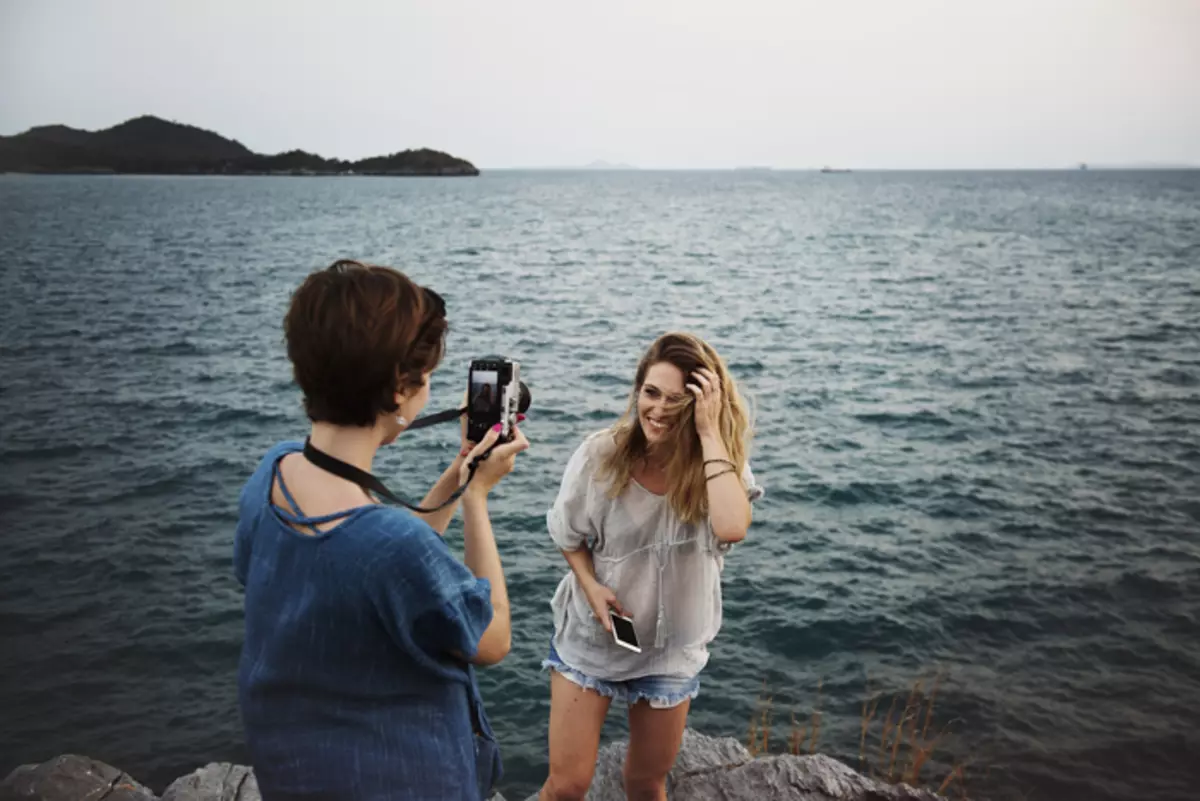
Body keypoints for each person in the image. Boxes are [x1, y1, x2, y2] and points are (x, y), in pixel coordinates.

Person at [233, 259, 529, 801]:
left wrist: (459, 472)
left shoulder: (270, 476)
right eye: (428, 374)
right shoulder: (390, 545)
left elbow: (373, 555)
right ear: (399, 388)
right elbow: (491, 639)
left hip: (295, 770)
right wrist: (478, 498)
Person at [539, 332, 764, 801]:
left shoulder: (718, 465)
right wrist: (590, 585)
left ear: (703, 403)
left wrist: (708, 433)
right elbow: (568, 536)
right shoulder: (601, 455)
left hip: (670, 650)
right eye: (651, 392)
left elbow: (731, 526)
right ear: (637, 391)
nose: (658, 409)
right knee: (567, 785)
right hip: (595, 637)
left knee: (645, 784)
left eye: (677, 400)